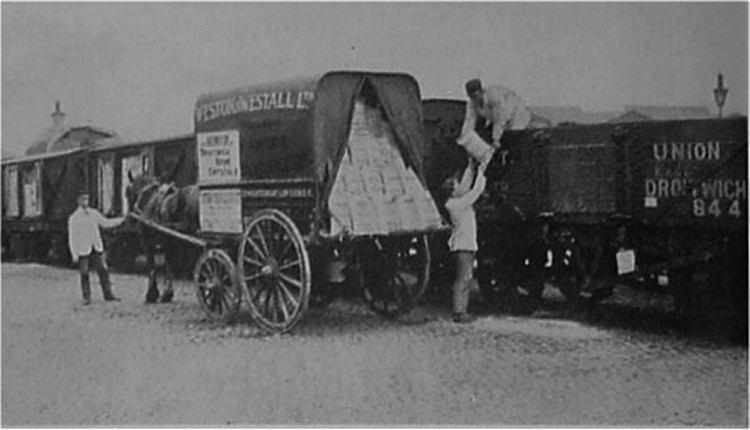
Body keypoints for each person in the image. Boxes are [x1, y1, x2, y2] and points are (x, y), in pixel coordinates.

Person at [442, 156, 488, 323]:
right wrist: (482, 172)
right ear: (453, 191)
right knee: (463, 279)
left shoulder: (455, 202)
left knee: (464, 278)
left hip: (463, 245)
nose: (459, 185)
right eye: (455, 184)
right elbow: (475, 192)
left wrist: (470, 167)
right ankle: (459, 312)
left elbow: (465, 187)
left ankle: (461, 311)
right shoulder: (458, 205)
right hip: (464, 247)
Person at [68, 192, 126, 305]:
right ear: (78, 201)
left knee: (103, 271)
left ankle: (108, 294)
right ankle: (86, 297)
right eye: (83, 199)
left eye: (87, 199)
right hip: (83, 249)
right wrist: (74, 254)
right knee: (84, 273)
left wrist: (121, 220)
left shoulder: (94, 214)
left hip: (96, 247)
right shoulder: (74, 218)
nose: (85, 201)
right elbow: (72, 237)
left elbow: (106, 223)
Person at [460, 78, 531, 149]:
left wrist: (496, 139)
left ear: (481, 91)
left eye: (475, 96)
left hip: (517, 115)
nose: (473, 99)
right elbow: (469, 121)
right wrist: (464, 137)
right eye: (470, 97)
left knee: (514, 139)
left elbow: (499, 118)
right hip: (500, 120)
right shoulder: (471, 104)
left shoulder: (494, 96)